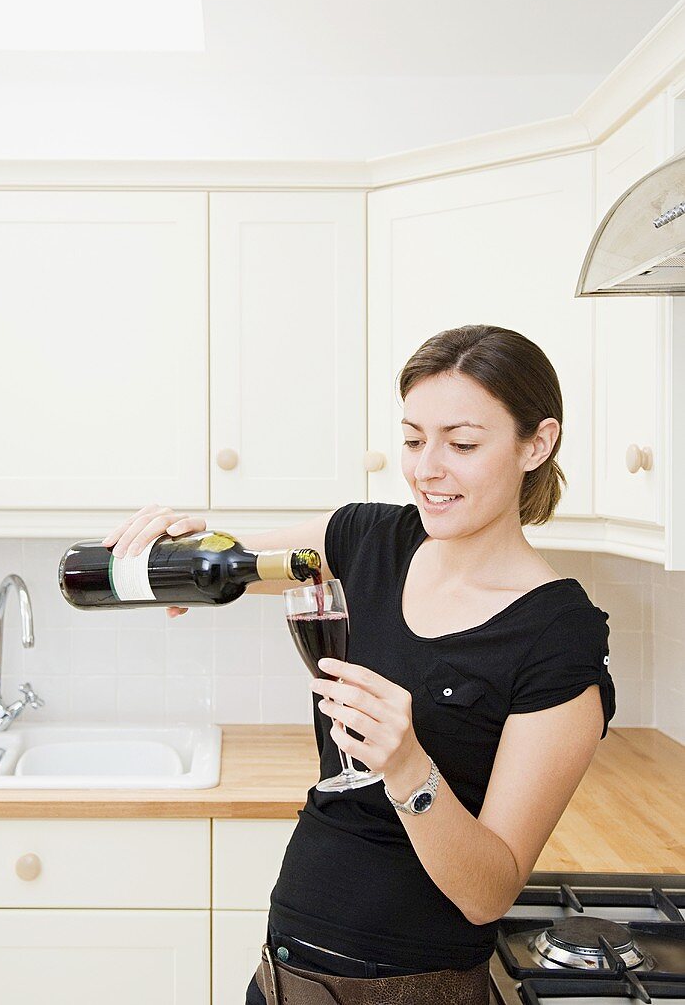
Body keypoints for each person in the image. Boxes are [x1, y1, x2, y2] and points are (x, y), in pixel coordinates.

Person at [103, 324, 616, 1005]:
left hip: (415, 987)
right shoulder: (364, 539)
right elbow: (221, 562)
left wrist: (408, 768)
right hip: (286, 967)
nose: (425, 468)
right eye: (411, 439)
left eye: (460, 444)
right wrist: (173, 550)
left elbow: (488, 892)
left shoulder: (557, 635)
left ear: (536, 442)